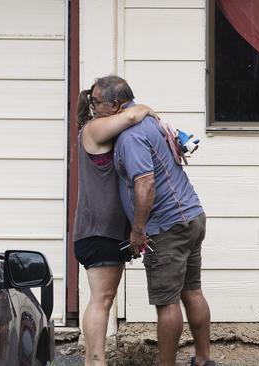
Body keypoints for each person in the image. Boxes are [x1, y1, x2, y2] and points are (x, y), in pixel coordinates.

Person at [90, 75, 214, 366]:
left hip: (167, 227)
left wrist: (137, 231)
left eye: (97, 102)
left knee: (167, 303)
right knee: (192, 291)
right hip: (192, 216)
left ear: (116, 105)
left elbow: (145, 184)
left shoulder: (130, 137)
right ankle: (203, 359)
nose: (93, 107)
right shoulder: (147, 121)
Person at [73, 80, 157, 366]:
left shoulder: (105, 127)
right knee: (102, 297)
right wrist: (145, 108)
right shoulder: (93, 128)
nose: (96, 108)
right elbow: (132, 115)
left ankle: (93, 360)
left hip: (105, 230)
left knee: (103, 297)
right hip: (98, 230)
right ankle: (95, 361)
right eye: (95, 103)